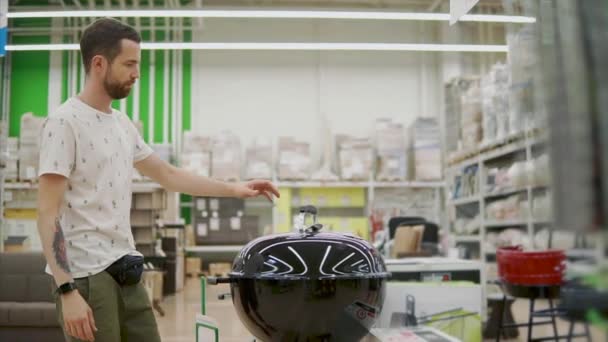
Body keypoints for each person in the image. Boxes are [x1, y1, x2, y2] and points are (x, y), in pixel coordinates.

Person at [36, 17, 280, 342]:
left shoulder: (122, 125)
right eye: (129, 64)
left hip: (125, 265)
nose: (137, 73)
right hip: (84, 276)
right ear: (99, 64)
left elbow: (167, 174)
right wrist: (66, 289)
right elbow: (47, 213)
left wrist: (235, 188)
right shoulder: (64, 123)